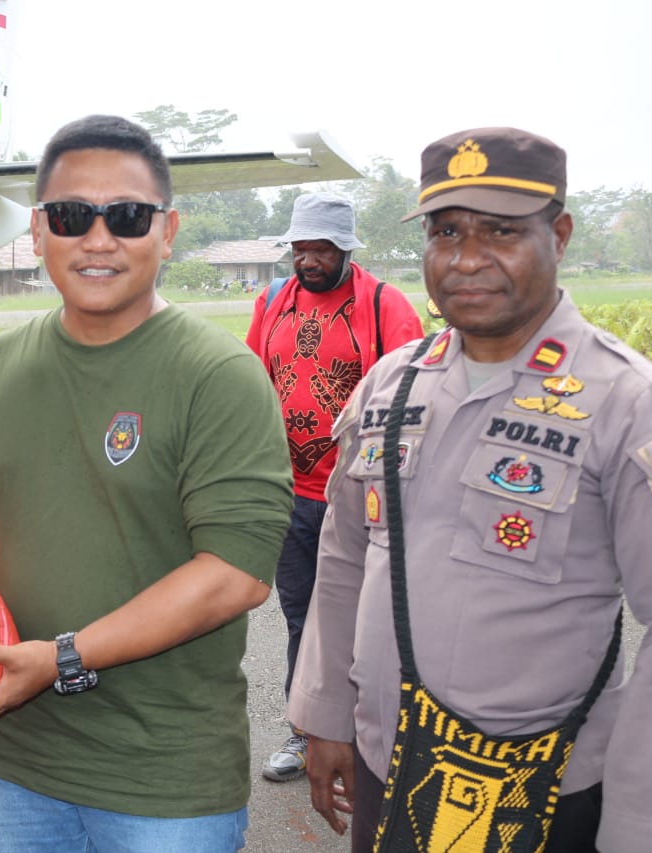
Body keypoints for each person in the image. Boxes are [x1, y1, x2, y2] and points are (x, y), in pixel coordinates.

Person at [0, 114, 294, 852]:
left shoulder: (218, 375)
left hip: (163, 780)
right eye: (73, 216)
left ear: (167, 231)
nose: (99, 239)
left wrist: (63, 656)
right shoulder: (3, 364)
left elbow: (234, 574)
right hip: (21, 757)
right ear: (39, 232)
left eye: (129, 217)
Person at [288, 127, 652, 852]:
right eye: (446, 230)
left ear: (560, 234)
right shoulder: (394, 383)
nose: (465, 259)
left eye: (502, 231)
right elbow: (340, 560)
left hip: (544, 787)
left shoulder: (625, 400)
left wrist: (639, 820)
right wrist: (325, 712)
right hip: (386, 764)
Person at [245, 192, 422, 783]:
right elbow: (251, 382)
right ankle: (305, 732)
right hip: (288, 493)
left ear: (346, 247)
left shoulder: (383, 305)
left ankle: (382, 737)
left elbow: (413, 398)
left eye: (322, 248)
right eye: (301, 247)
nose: (309, 259)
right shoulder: (273, 301)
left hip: (360, 498)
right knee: (303, 619)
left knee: (373, 621)